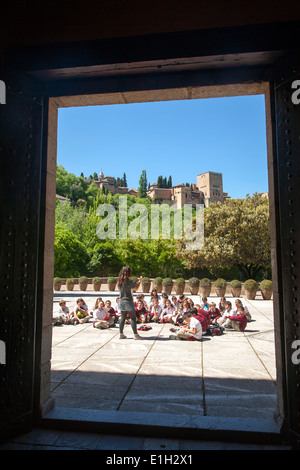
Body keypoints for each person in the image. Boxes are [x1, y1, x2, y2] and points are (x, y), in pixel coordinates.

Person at [117, 266, 143, 339]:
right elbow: (136, 288)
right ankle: (135, 335)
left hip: (121, 301)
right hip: (128, 301)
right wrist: (140, 281)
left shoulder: (119, 281)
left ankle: (121, 334)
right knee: (133, 318)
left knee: (122, 317)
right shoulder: (129, 281)